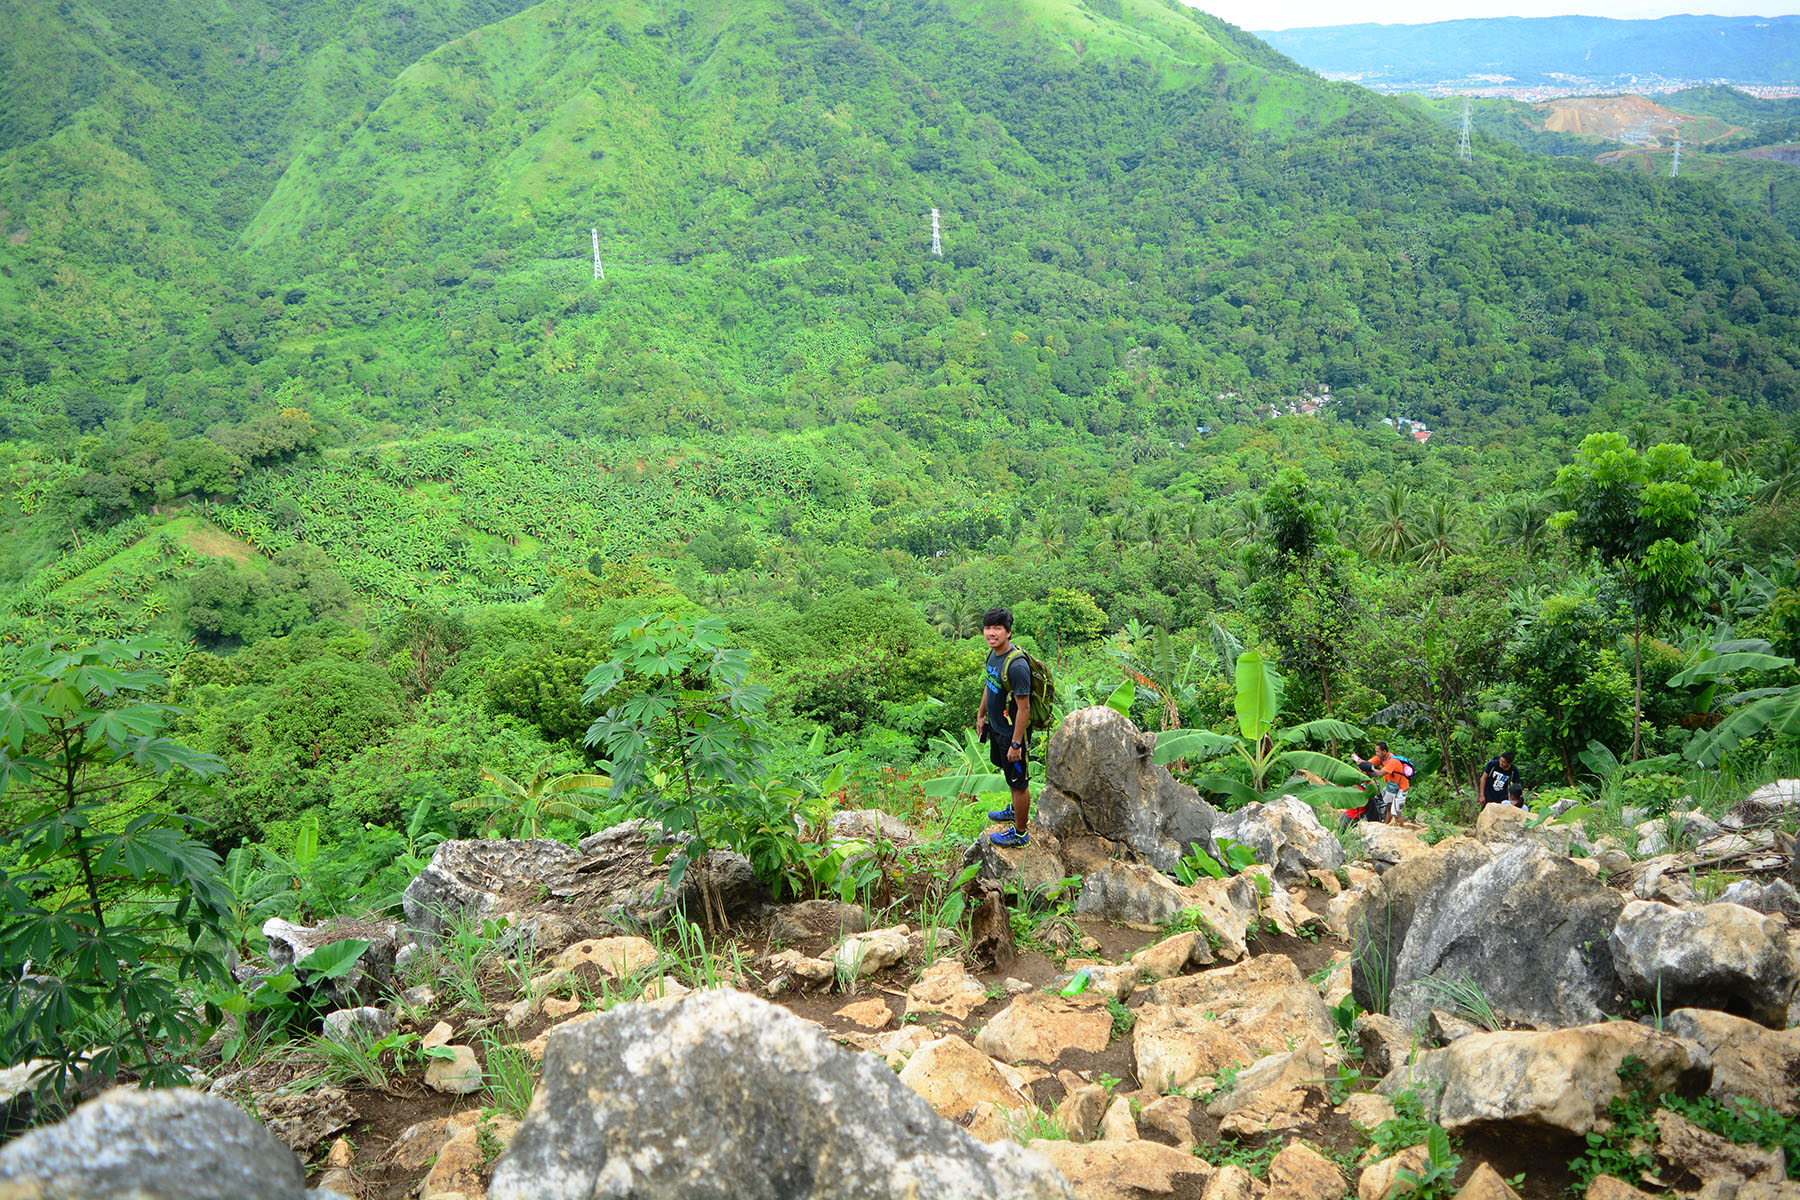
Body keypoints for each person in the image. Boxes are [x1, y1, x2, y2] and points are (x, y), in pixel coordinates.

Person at [974, 607, 1032, 848]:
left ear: (1008, 632)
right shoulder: (993, 655)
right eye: (988, 628)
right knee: (1009, 776)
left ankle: (1020, 834)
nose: (991, 633)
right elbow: (990, 685)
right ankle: (1013, 812)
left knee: (1019, 783)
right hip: (998, 729)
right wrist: (981, 715)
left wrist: (1016, 743)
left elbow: (1025, 707)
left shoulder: (1017, 666)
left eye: (997, 628)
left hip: (1012, 734)